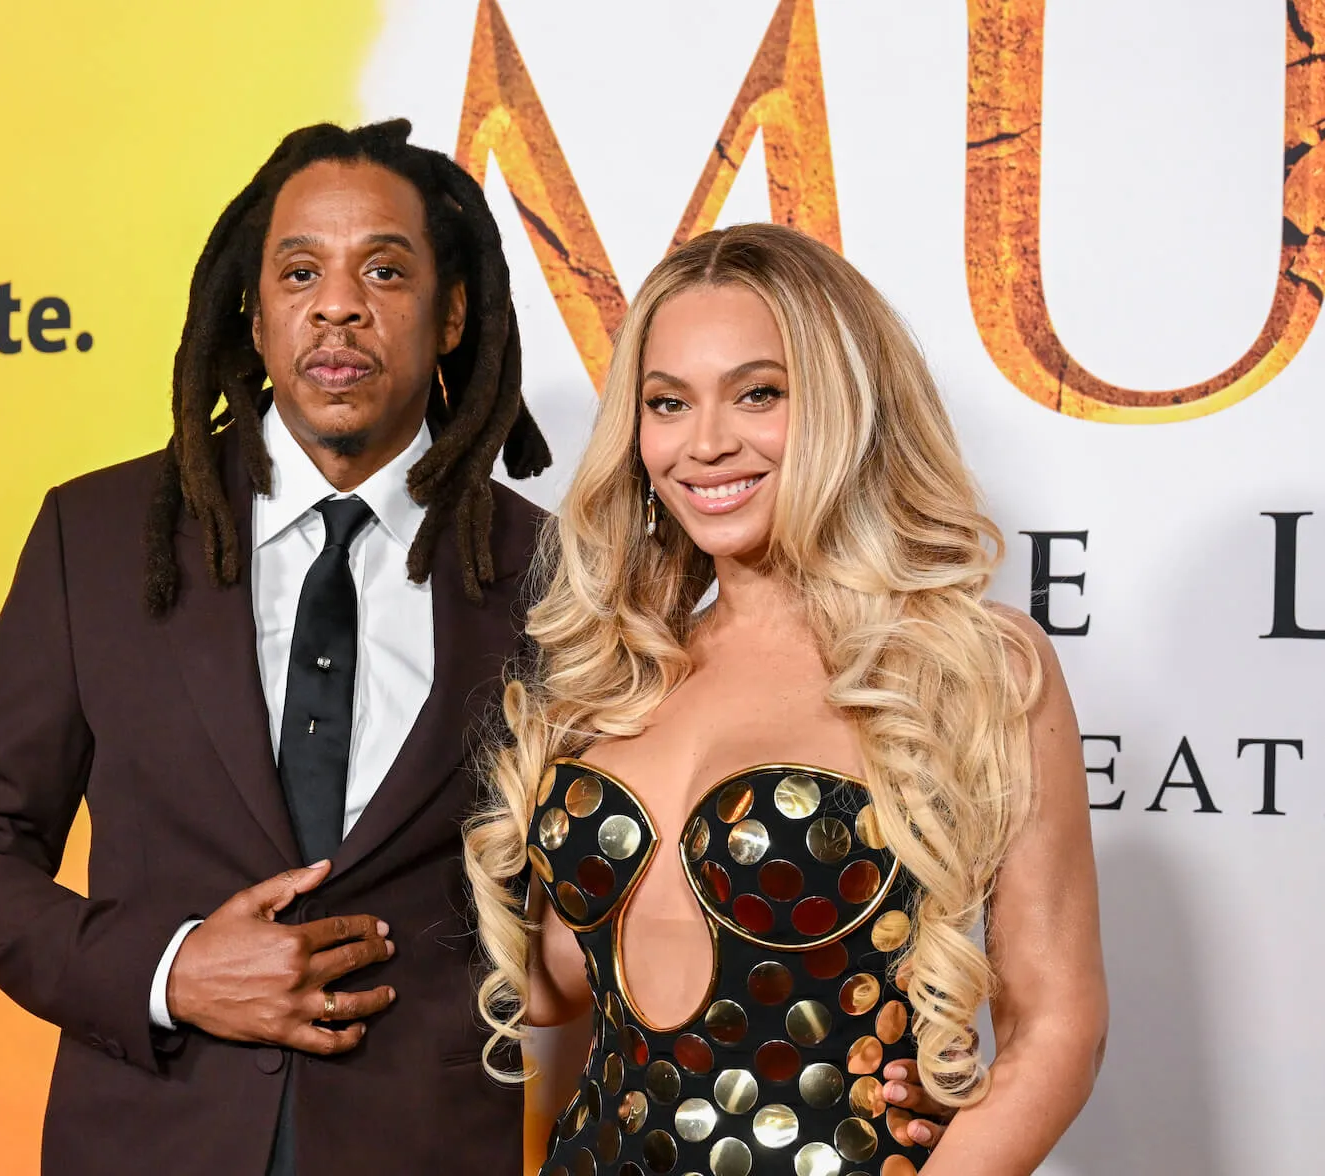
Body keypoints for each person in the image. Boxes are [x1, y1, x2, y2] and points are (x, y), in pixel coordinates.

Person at [0, 119, 554, 1175]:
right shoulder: (101, 538)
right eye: (300, 270)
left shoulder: (551, 574)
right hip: (147, 1138)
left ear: (452, 319)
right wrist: (168, 973)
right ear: (254, 318)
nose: (337, 303)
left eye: (384, 270)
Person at [466, 223, 1108, 1176]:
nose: (707, 443)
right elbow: (565, 982)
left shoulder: (969, 666)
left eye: (758, 394)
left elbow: (1058, 1026)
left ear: (845, 406)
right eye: (668, 403)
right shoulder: (616, 667)